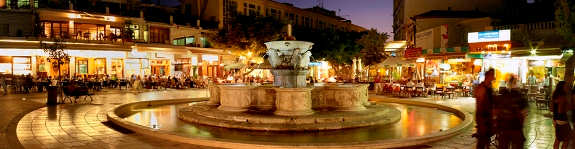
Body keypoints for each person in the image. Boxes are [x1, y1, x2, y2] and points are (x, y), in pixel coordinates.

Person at [494, 76, 528, 149]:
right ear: (515, 83)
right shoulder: (521, 97)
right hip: (516, 129)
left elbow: (496, 112)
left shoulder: (502, 96)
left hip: (503, 129)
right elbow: (524, 113)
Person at [473, 68, 495, 149]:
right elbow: (479, 104)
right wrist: (480, 120)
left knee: (486, 139)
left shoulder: (489, 87)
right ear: (488, 76)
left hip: (488, 117)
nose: (493, 77)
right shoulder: (481, 88)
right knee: (482, 140)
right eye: (492, 75)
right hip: (483, 117)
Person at [552, 81, 570, 149]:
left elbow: (553, 108)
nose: (567, 87)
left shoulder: (555, 94)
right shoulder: (562, 96)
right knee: (566, 140)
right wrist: (567, 107)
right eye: (566, 86)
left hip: (556, 119)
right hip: (562, 120)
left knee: (558, 139)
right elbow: (560, 110)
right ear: (562, 87)